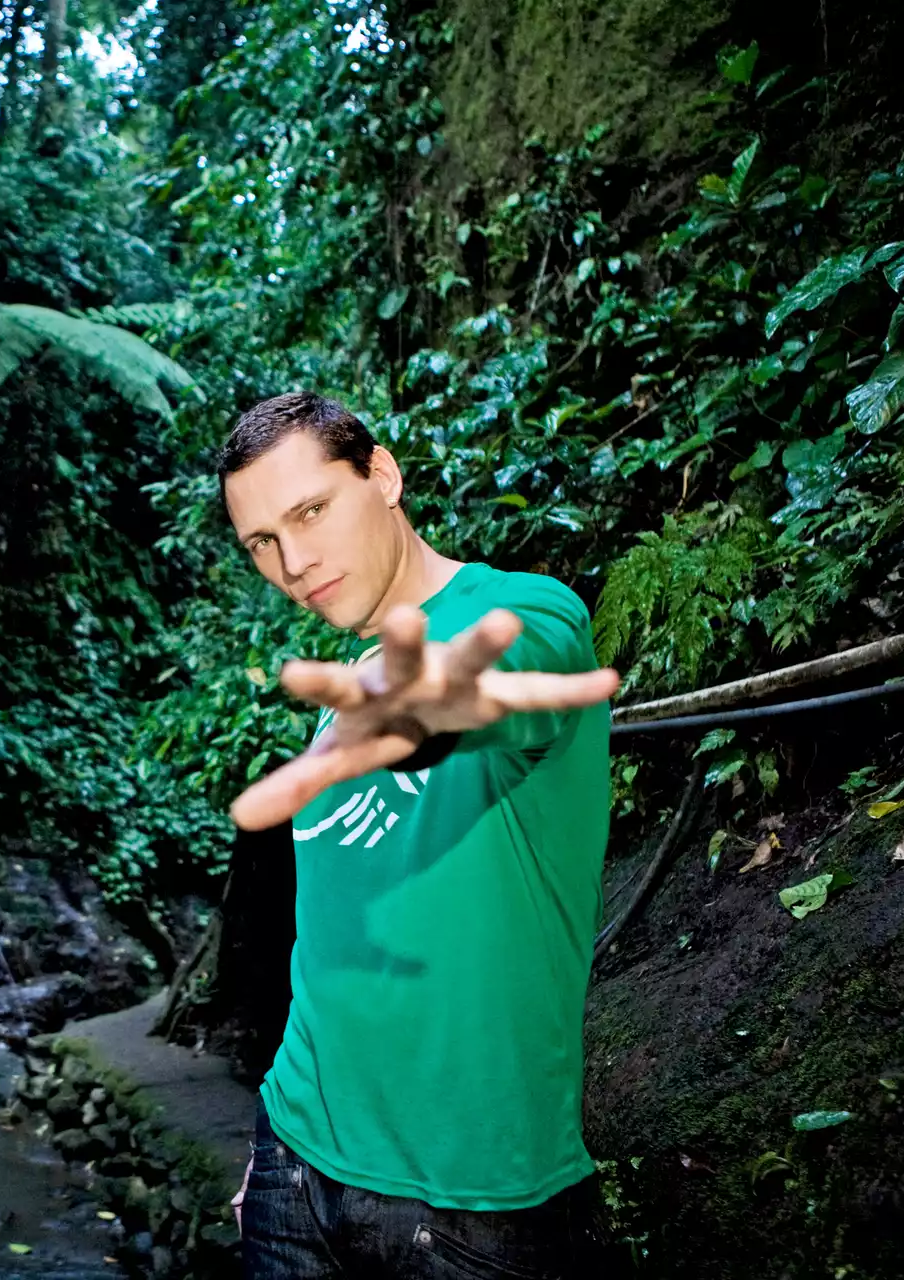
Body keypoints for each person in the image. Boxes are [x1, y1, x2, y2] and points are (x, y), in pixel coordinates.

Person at [218, 392, 620, 1279]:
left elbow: (513, 664)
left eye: (311, 511)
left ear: (384, 475)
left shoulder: (523, 610)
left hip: (473, 1205)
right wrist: (276, 1141)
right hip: (297, 1163)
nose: (293, 562)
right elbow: (330, 941)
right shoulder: (346, 697)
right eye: (262, 543)